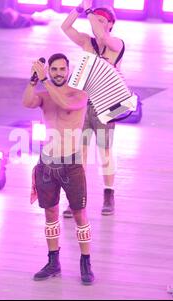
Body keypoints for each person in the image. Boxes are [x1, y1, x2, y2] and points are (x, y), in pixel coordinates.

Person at [22, 53, 94, 285]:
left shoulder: (79, 94)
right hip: (47, 164)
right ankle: (53, 262)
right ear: (50, 71)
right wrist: (33, 82)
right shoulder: (45, 94)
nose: (58, 73)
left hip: (71, 163)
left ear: (69, 71)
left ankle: (85, 262)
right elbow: (27, 102)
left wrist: (44, 81)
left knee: (79, 214)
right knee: (50, 213)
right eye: (54, 70)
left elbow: (65, 103)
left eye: (62, 69)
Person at [61, 0, 125, 217]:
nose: (96, 23)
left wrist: (89, 11)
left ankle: (109, 193)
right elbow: (65, 27)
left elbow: (104, 37)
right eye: (95, 19)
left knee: (105, 151)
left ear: (110, 24)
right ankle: (77, 198)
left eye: (102, 20)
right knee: (81, 153)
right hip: (85, 103)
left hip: (107, 104)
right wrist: (79, 8)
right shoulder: (87, 42)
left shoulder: (116, 43)